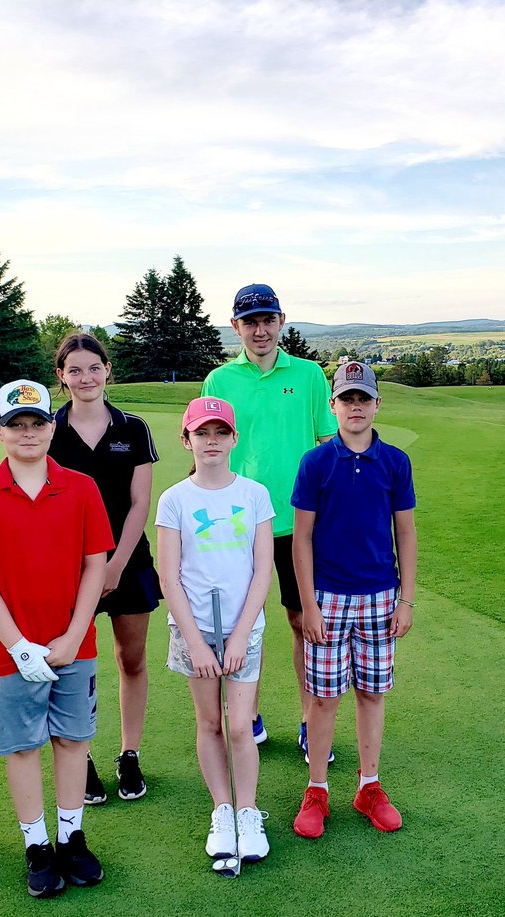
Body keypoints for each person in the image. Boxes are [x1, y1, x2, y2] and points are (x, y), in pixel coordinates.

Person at [0, 379, 114, 899]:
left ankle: (71, 836)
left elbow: (95, 566)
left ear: (52, 428)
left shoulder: (81, 488)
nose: (28, 433)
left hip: (74, 645)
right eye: (16, 425)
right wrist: (19, 645)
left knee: (72, 740)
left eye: (37, 423)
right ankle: (37, 844)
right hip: (11, 650)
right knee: (22, 746)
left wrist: (72, 635)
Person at [201, 283, 337, 762]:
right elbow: (209, 448)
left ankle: (310, 722)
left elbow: (327, 445)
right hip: (240, 524)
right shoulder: (219, 380)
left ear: (281, 322)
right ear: (235, 327)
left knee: (303, 622)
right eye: (250, 322)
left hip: (300, 523)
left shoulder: (309, 375)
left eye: (267, 320)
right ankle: (248, 718)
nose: (260, 330)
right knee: (243, 623)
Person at [290, 361, 417, 839]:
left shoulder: (395, 462)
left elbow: (405, 532)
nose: (356, 407)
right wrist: (308, 604)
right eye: (347, 399)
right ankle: (317, 789)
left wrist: (407, 599)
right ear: (333, 405)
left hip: (380, 596)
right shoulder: (315, 462)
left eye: (363, 398)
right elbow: (301, 538)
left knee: (372, 693)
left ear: (377, 404)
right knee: (324, 698)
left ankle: (369, 786)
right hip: (327, 597)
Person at [155, 397, 274, 865]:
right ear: (186, 439)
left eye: (220, 432)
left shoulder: (254, 494)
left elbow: (262, 571)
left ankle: (248, 811)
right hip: (196, 629)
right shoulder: (175, 499)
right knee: (209, 723)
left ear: (233, 439)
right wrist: (197, 643)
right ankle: (222, 810)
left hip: (245, 629)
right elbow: (170, 577)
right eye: (201, 432)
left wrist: (241, 635)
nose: (211, 441)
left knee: (240, 726)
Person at [49, 332, 161, 805]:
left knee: (131, 660)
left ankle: (129, 753)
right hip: (67, 568)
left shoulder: (133, 428)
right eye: (74, 370)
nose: (86, 378)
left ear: (107, 370)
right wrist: (90, 569)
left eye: (93, 367)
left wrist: (114, 565)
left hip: (127, 563)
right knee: (73, 663)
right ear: (61, 376)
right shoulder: (48, 429)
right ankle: (82, 755)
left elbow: (140, 504)